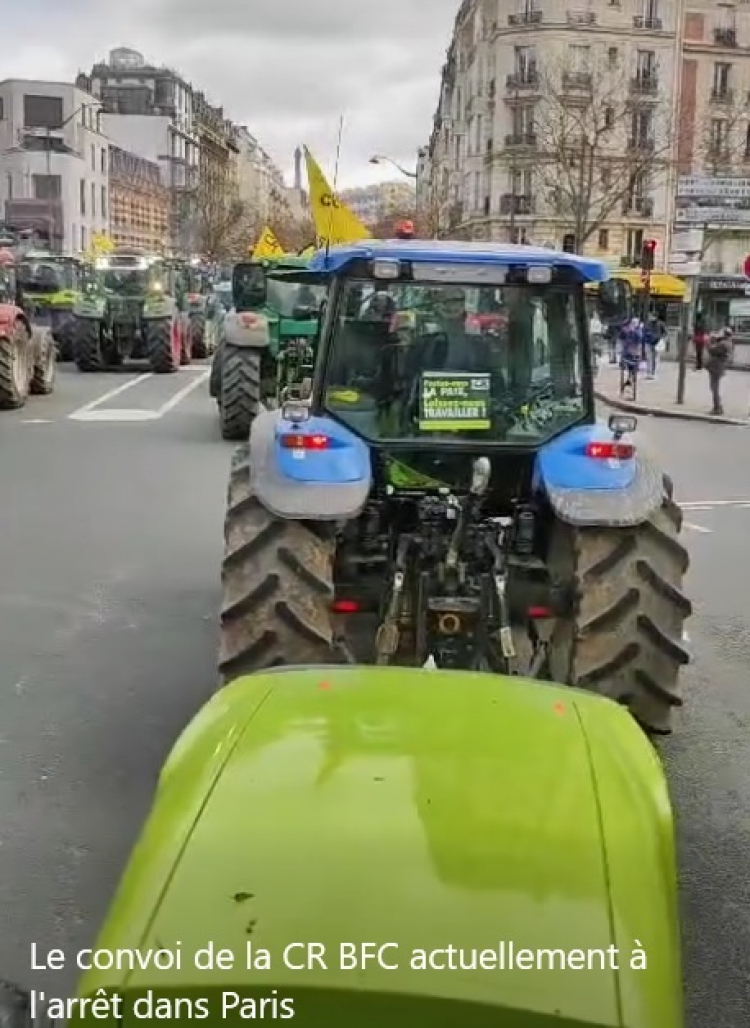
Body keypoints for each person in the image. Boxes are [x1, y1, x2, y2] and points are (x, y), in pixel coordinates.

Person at [705, 326, 732, 416]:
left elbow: (711, 350)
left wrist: (708, 341)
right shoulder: (726, 342)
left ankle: (717, 407)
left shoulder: (723, 344)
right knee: (714, 387)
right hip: (718, 367)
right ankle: (717, 406)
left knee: (714, 387)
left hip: (716, 367)